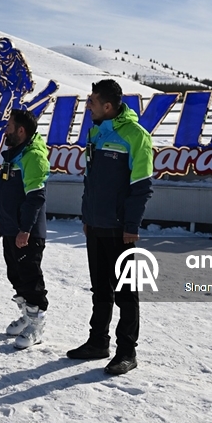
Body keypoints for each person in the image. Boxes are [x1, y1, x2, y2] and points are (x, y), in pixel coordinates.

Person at [67, 79, 153, 375]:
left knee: (126, 291)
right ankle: (97, 343)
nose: (87, 106)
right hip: (96, 226)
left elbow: (141, 187)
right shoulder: (94, 133)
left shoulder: (136, 136)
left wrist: (131, 226)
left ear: (107, 105)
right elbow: (90, 182)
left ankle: (126, 352)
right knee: (100, 288)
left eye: (91, 101)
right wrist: (86, 217)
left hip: (120, 230)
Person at [0, 109, 50, 349]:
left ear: (21, 131)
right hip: (12, 229)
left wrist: (26, 229)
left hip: (28, 233)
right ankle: (27, 318)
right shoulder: (13, 155)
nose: (6, 130)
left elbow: (35, 197)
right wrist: (1, 221)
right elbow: (8, 194)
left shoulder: (33, 156)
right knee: (16, 276)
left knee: (30, 278)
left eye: (10, 126)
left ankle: (37, 326)